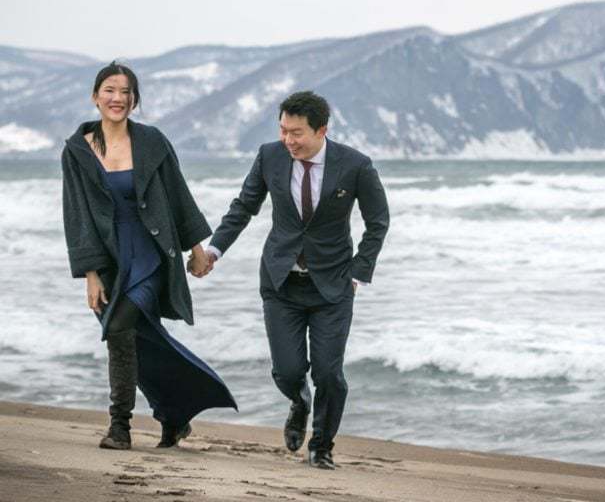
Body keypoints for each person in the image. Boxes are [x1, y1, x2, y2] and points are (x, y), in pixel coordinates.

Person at [198, 91, 389, 469]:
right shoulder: (270, 156)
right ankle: (299, 400)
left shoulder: (355, 166)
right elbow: (243, 208)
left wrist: (358, 273)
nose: (288, 140)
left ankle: (321, 446)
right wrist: (214, 251)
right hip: (281, 283)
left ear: (322, 130)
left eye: (297, 133)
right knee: (287, 371)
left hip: (332, 286)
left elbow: (377, 221)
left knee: (329, 373)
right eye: (283, 131)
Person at [61, 61, 237, 450]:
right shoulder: (76, 151)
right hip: (109, 260)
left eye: (126, 92)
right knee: (138, 341)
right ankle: (174, 415)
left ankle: (119, 427)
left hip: (152, 253)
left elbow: (178, 194)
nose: (117, 98)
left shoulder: (152, 141)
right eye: (109, 90)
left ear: (135, 100)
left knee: (121, 330)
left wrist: (196, 251)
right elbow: (76, 214)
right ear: (95, 96)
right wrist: (90, 272)